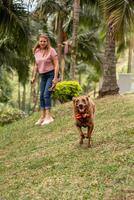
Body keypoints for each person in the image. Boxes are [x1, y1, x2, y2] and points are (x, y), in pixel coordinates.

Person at [31, 34, 59, 125]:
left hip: (51, 74)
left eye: (44, 41)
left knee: (46, 94)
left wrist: (55, 78)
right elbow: (36, 65)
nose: (42, 43)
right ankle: (42, 117)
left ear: (47, 42)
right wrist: (34, 76)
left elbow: (56, 65)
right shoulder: (37, 51)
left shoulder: (52, 51)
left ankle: (48, 117)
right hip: (42, 75)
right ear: (38, 41)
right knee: (41, 96)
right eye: (41, 41)